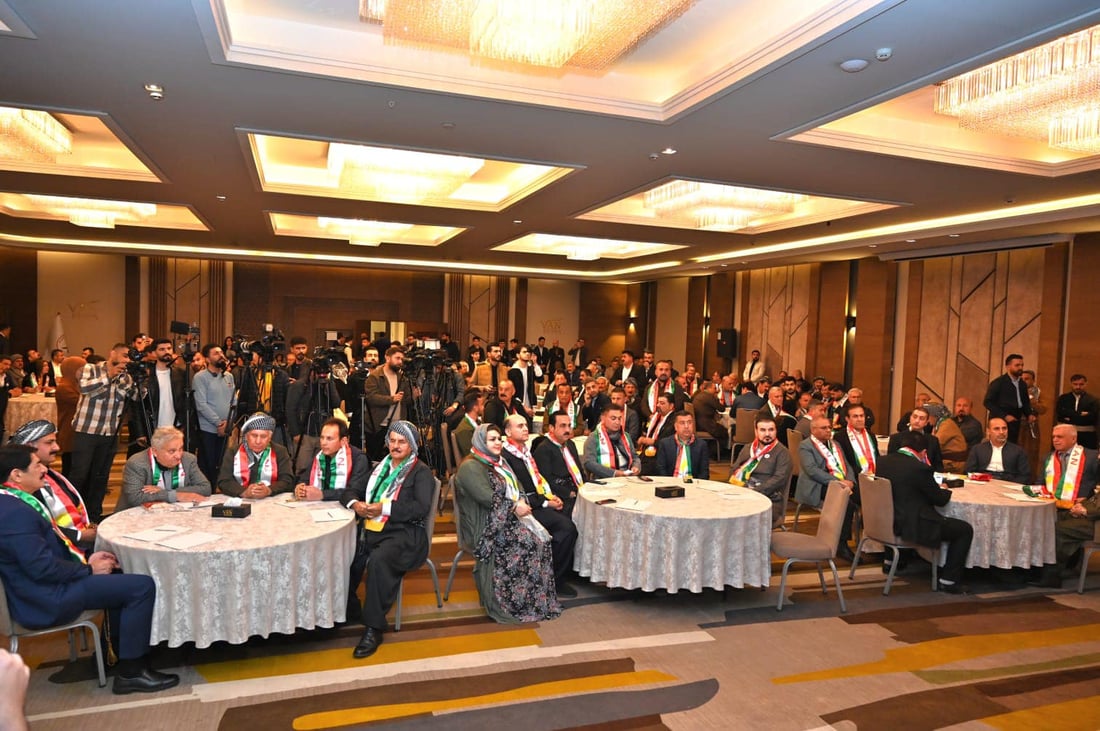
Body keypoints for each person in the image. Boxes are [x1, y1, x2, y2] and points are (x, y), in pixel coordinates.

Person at [0, 445, 179, 694]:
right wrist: (87, 569)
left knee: (119, 571)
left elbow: (46, 556)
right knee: (141, 586)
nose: (44, 469)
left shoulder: (15, 502)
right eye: (36, 465)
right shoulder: (13, 513)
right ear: (17, 475)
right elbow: (41, 568)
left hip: (46, 586)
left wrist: (88, 562)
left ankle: (115, 653)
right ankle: (132, 673)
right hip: (44, 597)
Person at [454, 424, 562, 624]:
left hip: (504, 518)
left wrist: (520, 501)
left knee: (542, 539)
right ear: (480, 442)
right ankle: (511, 603)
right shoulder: (471, 466)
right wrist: (514, 506)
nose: (497, 443)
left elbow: (517, 486)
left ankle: (533, 602)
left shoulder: (498, 462)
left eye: (499, 439)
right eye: (491, 439)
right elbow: (486, 497)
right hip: (485, 525)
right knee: (530, 543)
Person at [344, 421, 435, 657]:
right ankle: (349, 608)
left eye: (401, 442)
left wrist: (384, 508)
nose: (395, 446)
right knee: (344, 551)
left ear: (412, 445)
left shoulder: (420, 472)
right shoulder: (379, 468)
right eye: (392, 441)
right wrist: (356, 504)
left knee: (378, 560)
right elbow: (352, 490)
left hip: (406, 534)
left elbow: (420, 508)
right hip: (374, 528)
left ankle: (373, 627)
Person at [875, 430, 974, 593]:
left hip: (887, 520)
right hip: (911, 524)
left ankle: (889, 561)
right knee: (964, 529)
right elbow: (939, 500)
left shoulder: (882, 461)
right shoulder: (919, 468)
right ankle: (949, 580)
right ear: (923, 452)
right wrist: (944, 489)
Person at [501, 415, 578, 597]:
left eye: (526, 425)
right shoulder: (507, 457)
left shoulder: (524, 452)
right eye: (520, 426)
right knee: (567, 528)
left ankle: (555, 574)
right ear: (508, 432)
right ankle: (554, 579)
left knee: (568, 519)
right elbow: (519, 492)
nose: (525, 428)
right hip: (521, 509)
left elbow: (537, 481)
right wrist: (545, 502)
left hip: (536, 501)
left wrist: (549, 497)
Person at [69, 343, 137, 523]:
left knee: (101, 476)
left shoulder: (126, 376)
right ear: (112, 353)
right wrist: (110, 375)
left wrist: (141, 379)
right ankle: (71, 515)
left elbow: (137, 397)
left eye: (129, 357)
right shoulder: (90, 369)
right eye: (124, 355)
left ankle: (94, 515)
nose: (126, 360)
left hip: (110, 433)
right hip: (87, 430)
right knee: (80, 474)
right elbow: (84, 388)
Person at [7, 419, 95, 551]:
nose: (57, 447)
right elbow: (39, 527)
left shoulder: (52, 475)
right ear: (29, 446)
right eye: (49, 442)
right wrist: (81, 536)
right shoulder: (23, 484)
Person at [1031, 424, 1100, 587]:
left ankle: (1051, 576)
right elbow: (1040, 484)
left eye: (1060, 437)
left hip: (1088, 515)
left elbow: (1097, 488)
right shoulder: (1049, 458)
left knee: (1056, 529)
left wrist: (1085, 506)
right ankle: (1033, 569)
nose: (1055, 440)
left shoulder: (1091, 457)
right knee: (1037, 523)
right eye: (1053, 437)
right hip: (1057, 507)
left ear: (1073, 439)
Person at [795, 415, 858, 560]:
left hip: (840, 482)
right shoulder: (805, 446)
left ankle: (872, 542)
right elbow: (812, 471)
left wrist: (850, 480)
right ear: (813, 430)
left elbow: (846, 465)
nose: (828, 430)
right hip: (817, 485)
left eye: (829, 427)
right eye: (824, 428)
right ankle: (842, 544)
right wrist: (838, 482)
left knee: (863, 496)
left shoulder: (835, 444)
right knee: (846, 503)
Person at [118, 426, 210, 512]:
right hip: (136, 516)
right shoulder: (137, 463)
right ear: (155, 451)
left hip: (176, 513)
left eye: (181, 449)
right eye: (172, 451)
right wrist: (176, 495)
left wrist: (164, 492)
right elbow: (135, 498)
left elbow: (205, 488)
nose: (178, 455)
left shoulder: (188, 459)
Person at [729, 415, 792, 528]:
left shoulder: (782, 452)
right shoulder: (748, 448)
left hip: (768, 499)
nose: (767, 434)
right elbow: (734, 470)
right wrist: (741, 489)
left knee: (740, 517)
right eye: (763, 430)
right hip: (742, 494)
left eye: (771, 430)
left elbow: (779, 479)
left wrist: (754, 492)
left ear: (776, 431)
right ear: (756, 431)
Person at [216, 413, 294, 498]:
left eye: (263, 436)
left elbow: (288, 480)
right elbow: (224, 481)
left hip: (270, 500)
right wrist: (244, 492)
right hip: (240, 499)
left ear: (270, 438)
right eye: (254, 435)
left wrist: (269, 490)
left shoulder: (280, 452)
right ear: (246, 436)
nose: (258, 441)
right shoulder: (233, 452)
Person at [192, 343, 235, 485]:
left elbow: (234, 401)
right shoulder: (200, 377)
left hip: (226, 428)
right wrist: (218, 423)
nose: (221, 355)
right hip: (208, 430)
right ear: (207, 359)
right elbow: (201, 404)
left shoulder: (229, 376)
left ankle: (219, 488)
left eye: (221, 352)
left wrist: (229, 422)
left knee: (222, 463)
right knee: (208, 464)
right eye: (216, 353)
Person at [362, 345, 413, 462]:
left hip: (398, 425)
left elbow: (407, 400)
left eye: (402, 359)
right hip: (378, 425)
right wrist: (391, 399)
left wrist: (414, 395)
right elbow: (371, 398)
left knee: (397, 459)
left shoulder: (402, 378)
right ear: (387, 358)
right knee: (376, 460)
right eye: (397, 358)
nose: (400, 362)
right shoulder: (375, 376)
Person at [534, 411, 584, 516]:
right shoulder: (543, 449)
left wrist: (586, 486)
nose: (567, 430)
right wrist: (569, 493)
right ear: (551, 428)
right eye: (563, 426)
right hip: (559, 495)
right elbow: (546, 479)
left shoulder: (570, 444)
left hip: (577, 488)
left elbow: (579, 470)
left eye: (569, 426)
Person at [983, 354, 1033, 444]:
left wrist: (1029, 414)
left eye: (1022, 365)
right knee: (999, 444)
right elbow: (988, 402)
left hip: (1016, 420)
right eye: (1017, 365)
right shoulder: (998, 383)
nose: (1020, 368)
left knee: (1012, 445)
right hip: (1000, 419)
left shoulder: (1022, 384)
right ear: (1008, 366)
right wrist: (1005, 416)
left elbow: (1025, 402)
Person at [964, 417, 1030, 483]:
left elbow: (1025, 476)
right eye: (997, 429)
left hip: (1007, 482)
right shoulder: (977, 449)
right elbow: (969, 471)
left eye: (1004, 428)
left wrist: (1011, 485)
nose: (1001, 432)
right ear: (988, 431)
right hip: (983, 481)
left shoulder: (1018, 451)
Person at [583, 403, 640, 479]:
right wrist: (614, 473)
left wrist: (636, 466)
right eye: (613, 418)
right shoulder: (593, 437)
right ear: (603, 418)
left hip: (626, 477)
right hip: (603, 479)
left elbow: (635, 457)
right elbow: (589, 463)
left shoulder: (626, 436)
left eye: (619, 419)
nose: (617, 422)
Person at [657, 410, 710, 479]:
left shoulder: (701, 445)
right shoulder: (665, 444)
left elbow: (704, 472)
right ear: (675, 427)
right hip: (671, 482)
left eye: (689, 422)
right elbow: (661, 470)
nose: (686, 426)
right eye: (682, 423)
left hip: (693, 483)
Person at [888, 407, 944, 472]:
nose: (917, 421)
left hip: (926, 474)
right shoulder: (896, 438)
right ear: (910, 418)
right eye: (914, 417)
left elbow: (938, 466)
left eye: (921, 418)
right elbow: (891, 462)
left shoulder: (933, 440)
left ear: (926, 422)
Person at [1056, 374, 1100, 450]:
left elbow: (1092, 417)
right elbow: (1060, 413)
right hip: (1066, 435)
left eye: (1081, 384)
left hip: (1087, 436)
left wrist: (1070, 416)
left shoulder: (1093, 400)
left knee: (1086, 456)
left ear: (1086, 384)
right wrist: (1080, 414)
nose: (1078, 387)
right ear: (1071, 384)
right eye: (1075, 384)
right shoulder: (1063, 398)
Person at [453, 389, 483, 457]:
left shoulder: (478, 422)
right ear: (475, 407)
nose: (484, 407)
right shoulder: (464, 430)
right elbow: (470, 454)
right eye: (482, 405)